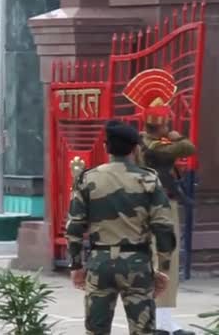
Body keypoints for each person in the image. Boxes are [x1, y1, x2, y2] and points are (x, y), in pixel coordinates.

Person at [66, 119, 176, 335]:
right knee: (143, 330)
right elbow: (163, 227)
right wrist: (163, 269)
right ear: (135, 149)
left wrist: (76, 266)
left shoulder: (88, 179)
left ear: (106, 148)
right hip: (137, 264)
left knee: (96, 330)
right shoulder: (148, 180)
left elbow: (75, 226)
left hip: (100, 263)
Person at [123, 68, 197, 335]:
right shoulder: (154, 147)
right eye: (167, 121)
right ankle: (161, 322)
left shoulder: (147, 142)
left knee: (157, 262)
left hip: (146, 209)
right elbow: (187, 148)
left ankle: (159, 320)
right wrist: (177, 138)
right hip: (159, 209)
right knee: (165, 261)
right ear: (161, 123)